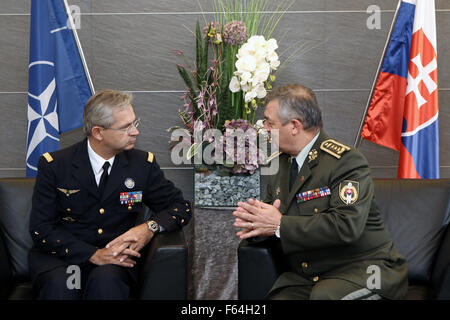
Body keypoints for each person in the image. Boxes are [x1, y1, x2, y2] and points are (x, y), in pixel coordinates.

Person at [233, 84, 408, 300]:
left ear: (294, 126)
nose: (265, 129)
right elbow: (274, 219)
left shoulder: (345, 162)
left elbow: (346, 226)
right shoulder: (281, 163)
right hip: (312, 275)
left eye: (270, 123)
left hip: (366, 270)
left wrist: (279, 224)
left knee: (324, 297)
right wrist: (256, 225)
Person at [29, 89, 192, 299]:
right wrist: (93, 255)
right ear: (98, 132)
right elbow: (41, 228)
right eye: (126, 127)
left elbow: (180, 207)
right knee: (63, 286)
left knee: (106, 284)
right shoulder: (55, 165)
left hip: (115, 261)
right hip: (64, 258)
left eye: (135, 123)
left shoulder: (142, 166)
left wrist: (148, 228)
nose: (135, 132)